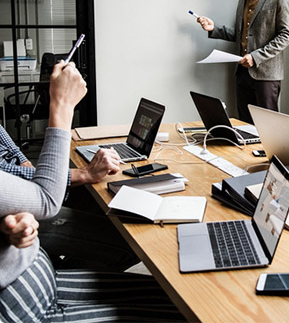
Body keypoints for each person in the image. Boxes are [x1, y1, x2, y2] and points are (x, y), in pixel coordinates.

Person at [0, 61, 184, 322]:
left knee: (173, 296)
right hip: (29, 310)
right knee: (183, 309)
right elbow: (45, 199)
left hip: (40, 279)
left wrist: (12, 215)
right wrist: (62, 105)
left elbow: (16, 166)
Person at [0, 125, 139, 271]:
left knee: (105, 200)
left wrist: (24, 162)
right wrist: (84, 173)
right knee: (131, 241)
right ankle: (64, 273)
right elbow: (42, 198)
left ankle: (65, 266)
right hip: (12, 210)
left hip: (26, 187)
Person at [196, 0, 289, 123]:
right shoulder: (243, 0)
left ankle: (269, 152)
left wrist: (256, 57)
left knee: (268, 125)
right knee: (245, 124)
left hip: (266, 74)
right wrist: (214, 28)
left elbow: (286, 35)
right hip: (242, 73)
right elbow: (242, 34)